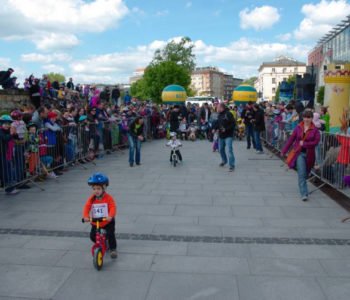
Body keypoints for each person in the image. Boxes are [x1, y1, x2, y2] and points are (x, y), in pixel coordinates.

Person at [281, 110, 320, 201]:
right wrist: (284, 150)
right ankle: (304, 193)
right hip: (299, 154)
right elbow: (291, 140)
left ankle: (304, 182)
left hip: (310, 155)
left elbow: (316, 141)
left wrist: (305, 144)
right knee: (301, 174)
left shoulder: (315, 130)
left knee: (306, 173)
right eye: (305, 117)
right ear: (302, 118)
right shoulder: (298, 128)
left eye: (309, 117)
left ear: (311, 118)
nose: (306, 119)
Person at [82, 173, 118, 259]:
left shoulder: (108, 198)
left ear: (104, 188)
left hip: (107, 221)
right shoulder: (92, 198)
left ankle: (113, 249)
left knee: (110, 234)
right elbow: (87, 207)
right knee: (92, 236)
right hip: (96, 221)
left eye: (98, 189)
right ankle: (100, 242)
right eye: (94, 189)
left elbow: (113, 207)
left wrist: (110, 215)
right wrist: (86, 216)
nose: (96, 191)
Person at [216, 103, 236, 172]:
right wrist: (214, 128)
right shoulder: (219, 115)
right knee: (221, 149)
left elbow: (233, 124)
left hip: (228, 135)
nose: (216, 108)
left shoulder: (228, 114)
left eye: (218, 107)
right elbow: (218, 124)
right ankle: (224, 161)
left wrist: (226, 129)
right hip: (221, 135)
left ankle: (232, 165)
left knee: (229, 150)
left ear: (222, 108)